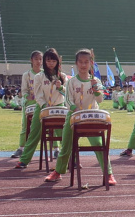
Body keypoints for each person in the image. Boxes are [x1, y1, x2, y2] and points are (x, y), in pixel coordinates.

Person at [47, 49, 115, 185]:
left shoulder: (95, 81)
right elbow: (68, 100)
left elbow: (101, 100)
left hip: (91, 117)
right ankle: (58, 171)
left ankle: (108, 174)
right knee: (66, 144)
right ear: (76, 63)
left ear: (91, 63)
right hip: (74, 117)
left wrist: (96, 90)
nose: (83, 65)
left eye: (86, 62)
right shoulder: (72, 82)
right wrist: (75, 109)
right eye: (80, 62)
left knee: (98, 144)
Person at [16, 48, 66, 169]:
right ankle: (24, 159)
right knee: (34, 133)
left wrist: (61, 87)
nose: (51, 63)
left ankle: (70, 159)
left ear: (57, 62)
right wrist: (44, 106)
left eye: (53, 60)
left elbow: (67, 94)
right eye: (48, 60)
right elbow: (37, 94)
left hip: (58, 107)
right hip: (42, 107)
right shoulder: (39, 76)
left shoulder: (62, 76)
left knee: (65, 134)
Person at [11, 51, 44, 159]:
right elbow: (24, 91)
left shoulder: (45, 74)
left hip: (43, 104)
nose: (38, 61)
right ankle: (21, 148)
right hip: (30, 104)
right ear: (31, 60)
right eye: (36, 59)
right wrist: (27, 96)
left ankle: (56, 149)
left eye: (40, 59)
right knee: (25, 126)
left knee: (50, 125)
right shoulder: (27, 75)